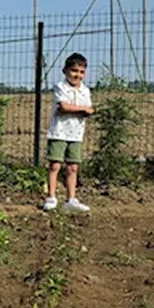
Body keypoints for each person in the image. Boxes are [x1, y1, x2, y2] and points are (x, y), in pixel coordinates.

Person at [44, 53, 94, 214]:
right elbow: (64, 107)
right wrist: (81, 109)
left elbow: (89, 110)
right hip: (59, 132)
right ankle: (51, 197)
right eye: (74, 70)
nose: (77, 75)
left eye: (81, 72)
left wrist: (78, 110)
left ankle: (71, 199)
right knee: (55, 165)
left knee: (73, 167)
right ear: (65, 70)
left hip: (76, 134)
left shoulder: (85, 90)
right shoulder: (60, 87)